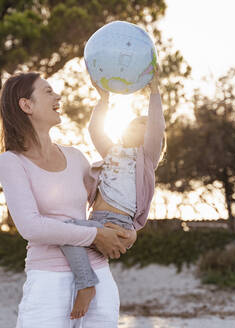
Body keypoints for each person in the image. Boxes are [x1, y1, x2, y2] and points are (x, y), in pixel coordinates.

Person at [0, 72, 137, 327]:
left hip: (100, 276)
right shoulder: (12, 161)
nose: (58, 96)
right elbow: (32, 227)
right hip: (49, 281)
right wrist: (96, 236)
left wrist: (130, 230)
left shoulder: (76, 157)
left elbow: (109, 202)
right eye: (48, 92)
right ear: (26, 105)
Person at [61, 65, 165, 319]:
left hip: (118, 223)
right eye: (133, 122)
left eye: (143, 124)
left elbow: (157, 127)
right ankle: (84, 285)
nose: (137, 126)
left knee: (64, 230)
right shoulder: (111, 151)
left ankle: (87, 285)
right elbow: (95, 130)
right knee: (64, 233)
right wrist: (104, 99)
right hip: (95, 221)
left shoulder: (146, 158)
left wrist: (155, 91)